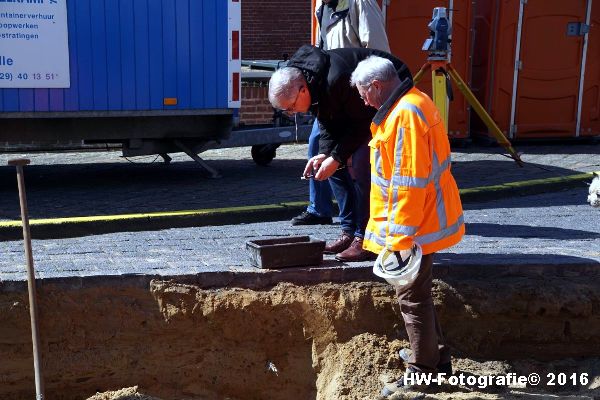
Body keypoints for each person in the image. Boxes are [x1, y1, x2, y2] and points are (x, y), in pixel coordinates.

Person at [349, 56, 465, 396]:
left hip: (414, 226)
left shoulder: (404, 115)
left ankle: (423, 371)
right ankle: (436, 359)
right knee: (419, 296)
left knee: (412, 299)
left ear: (376, 86)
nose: (362, 100)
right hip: (419, 221)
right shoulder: (410, 104)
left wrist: (399, 237)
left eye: (362, 93)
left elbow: (407, 183)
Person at [269, 45, 412, 262]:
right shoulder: (306, 80)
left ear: (303, 90)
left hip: (385, 91)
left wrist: (336, 158)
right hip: (354, 106)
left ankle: (365, 238)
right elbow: (326, 119)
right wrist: (326, 154)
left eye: (291, 107)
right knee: (331, 165)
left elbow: (361, 125)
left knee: (365, 164)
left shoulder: (337, 80)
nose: (292, 113)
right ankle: (348, 231)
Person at [291, 0, 390, 228]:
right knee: (320, 147)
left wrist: (370, 91)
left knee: (357, 160)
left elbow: (379, 52)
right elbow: (320, 51)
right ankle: (322, 209)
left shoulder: (360, 3)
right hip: (330, 94)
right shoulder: (322, 8)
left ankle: (362, 223)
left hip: (358, 95)